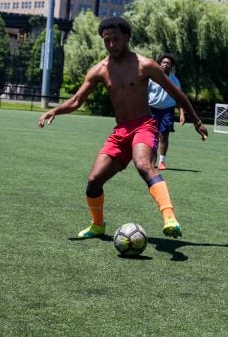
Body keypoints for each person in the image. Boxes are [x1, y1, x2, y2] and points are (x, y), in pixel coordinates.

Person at [38, 17, 208, 239]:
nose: (111, 44)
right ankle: (97, 225)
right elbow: (77, 100)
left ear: (127, 37)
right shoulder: (99, 69)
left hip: (144, 126)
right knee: (93, 181)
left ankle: (169, 218)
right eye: (106, 40)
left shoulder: (145, 65)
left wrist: (195, 119)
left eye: (115, 39)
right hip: (120, 132)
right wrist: (55, 111)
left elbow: (178, 94)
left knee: (143, 164)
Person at [148, 53, 185, 170]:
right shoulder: (152, 78)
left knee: (164, 135)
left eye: (168, 63)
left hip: (167, 110)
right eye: (164, 62)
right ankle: (152, 159)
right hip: (152, 109)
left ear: (171, 66)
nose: (166, 65)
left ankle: (162, 161)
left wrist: (182, 113)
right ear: (160, 64)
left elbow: (179, 98)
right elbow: (142, 94)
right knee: (152, 136)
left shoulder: (175, 81)